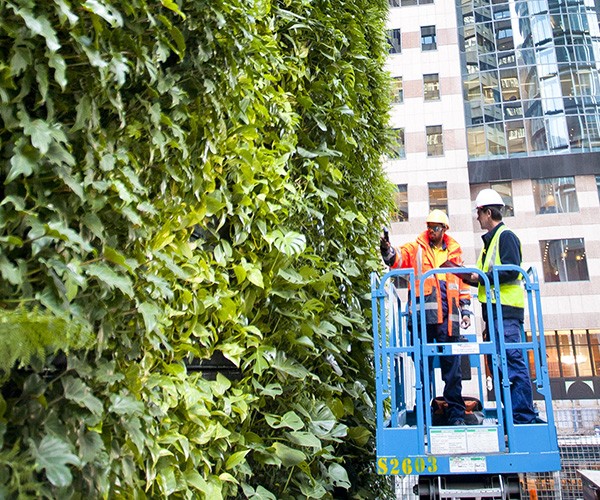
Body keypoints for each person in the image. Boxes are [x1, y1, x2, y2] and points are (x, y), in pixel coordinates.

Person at [380, 210, 472, 426]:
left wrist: (466, 309)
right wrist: (387, 250)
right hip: (423, 320)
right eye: (430, 226)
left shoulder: (455, 251)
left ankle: (456, 414)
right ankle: (423, 415)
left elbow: (463, 283)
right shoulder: (417, 247)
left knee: (452, 370)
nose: (432, 231)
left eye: (436, 227)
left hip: (449, 319)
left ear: (445, 230)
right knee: (422, 369)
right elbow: (398, 258)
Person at [469, 188, 538, 424]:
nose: (477, 217)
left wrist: (482, 277)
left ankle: (522, 418)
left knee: (513, 364)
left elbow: (510, 270)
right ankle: (513, 416)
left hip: (506, 314)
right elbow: (482, 276)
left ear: (488, 213)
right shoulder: (490, 243)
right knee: (500, 367)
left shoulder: (505, 236)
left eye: (479, 213)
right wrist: (464, 275)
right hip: (495, 315)